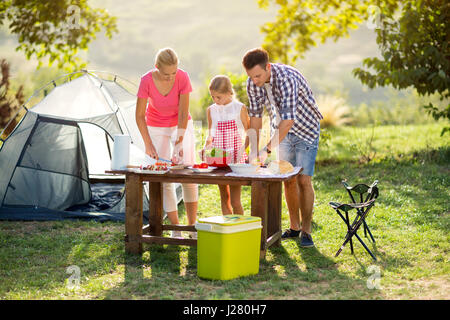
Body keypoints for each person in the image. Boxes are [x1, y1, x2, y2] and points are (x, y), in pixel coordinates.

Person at [242, 48, 323, 247]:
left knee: (304, 180)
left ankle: (306, 231)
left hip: (306, 130)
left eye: (258, 76)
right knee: (288, 179)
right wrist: (253, 152)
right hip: (282, 133)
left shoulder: (286, 79)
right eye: (251, 77)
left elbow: (288, 120)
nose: (255, 81)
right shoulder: (253, 83)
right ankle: (294, 228)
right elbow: (255, 118)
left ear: (268, 67)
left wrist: (266, 149)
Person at [136, 47, 198, 238]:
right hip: (155, 126)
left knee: (187, 172)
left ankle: (192, 226)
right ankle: (176, 228)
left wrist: (179, 142)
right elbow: (139, 116)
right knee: (163, 175)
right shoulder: (146, 80)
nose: (170, 77)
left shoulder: (183, 77)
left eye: (173, 72)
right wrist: (148, 144)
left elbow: (183, 112)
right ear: (156, 67)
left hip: (180, 124)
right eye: (165, 74)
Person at [200, 75, 249, 215]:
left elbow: (250, 133)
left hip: (235, 160)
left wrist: (242, 150)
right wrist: (205, 148)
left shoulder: (240, 108)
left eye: (218, 97)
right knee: (224, 198)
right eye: (213, 97)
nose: (215, 100)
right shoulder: (211, 110)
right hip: (219, 159)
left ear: (229, 93)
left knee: (235, 200)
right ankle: (228, 230)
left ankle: (240, 228)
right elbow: (211, 135)